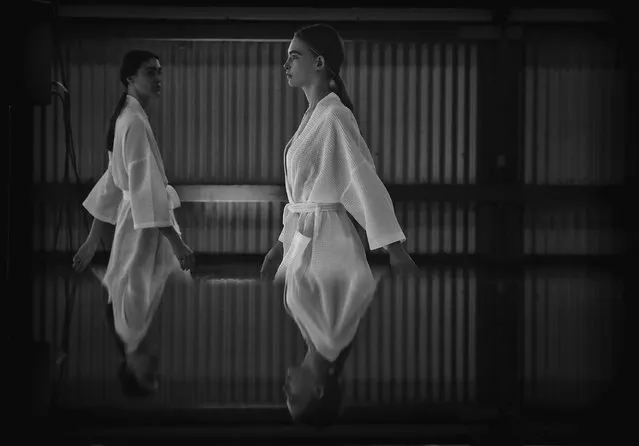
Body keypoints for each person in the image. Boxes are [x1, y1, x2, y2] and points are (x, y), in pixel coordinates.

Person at [260, 24, 418, 426]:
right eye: (294, 396)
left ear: (319, 62)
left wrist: (394, 250)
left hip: (328, 245)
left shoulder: (333, 115)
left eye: (294, 55)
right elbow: (301, 197)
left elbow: (360, 179)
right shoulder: (317, 115)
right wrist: (281, 244)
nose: (286, 63)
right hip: (312, 244)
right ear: (317, 389)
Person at [72, 49, 195, 393]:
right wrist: (175, 240)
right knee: (133, 271)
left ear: (129, 367)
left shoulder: (128, 118)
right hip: (141, 227)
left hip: (139, 225)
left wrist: (94, 239)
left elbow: (124, 185)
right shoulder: (132, 121)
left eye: (159, 71)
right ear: (130, 79)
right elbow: (138, 189)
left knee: (131, 272)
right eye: (149, 72)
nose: (158, 78)